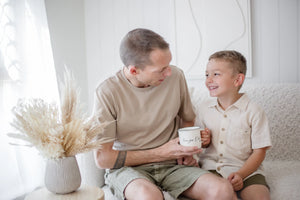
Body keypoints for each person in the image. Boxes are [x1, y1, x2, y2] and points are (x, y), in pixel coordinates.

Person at [93, 28, 235, 200]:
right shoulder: (107, 91)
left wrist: (187, 152)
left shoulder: (175, 76)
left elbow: (188, 119)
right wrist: (161, 153)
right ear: (134, 71)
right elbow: (103, 158)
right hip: (129, 170)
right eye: (161, 70)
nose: (168, 73)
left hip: (173, 166)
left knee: (223, 190)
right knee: (148, 196)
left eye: (169, 65)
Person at [198, 50, 272, 199]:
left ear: (237, 80)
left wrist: (241, 174)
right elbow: (199, 145)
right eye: (207, 75)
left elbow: (259, 152)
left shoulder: (254, 111)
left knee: (260, 197)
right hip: (211, 170)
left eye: (216, 74)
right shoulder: (203, 108)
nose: (209, 80)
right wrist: (204, 142)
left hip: (247, 171)